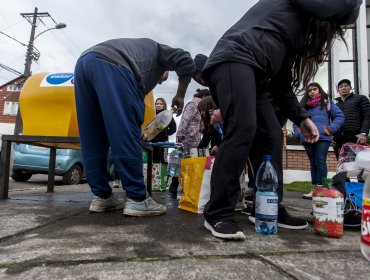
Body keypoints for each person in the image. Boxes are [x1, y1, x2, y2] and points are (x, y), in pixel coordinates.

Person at [198, 0, 362, 240]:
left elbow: (282, 85)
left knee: (273, 135)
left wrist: (302, 117)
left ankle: (267, 206)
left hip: (256, 73)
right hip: (233, 58)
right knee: (243, 128)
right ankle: (218, 212)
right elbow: (345, 9)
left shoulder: (293, 31)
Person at [74, 38, 195, 216]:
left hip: (83, 64)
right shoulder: (158, 52)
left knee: (92, 135)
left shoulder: (137, 53)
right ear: (166, 68)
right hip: (112, 65)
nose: (159, 82)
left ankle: (102, 197)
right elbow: (185, 59)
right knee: (126, 137)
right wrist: (180, 95)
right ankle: (137, 199)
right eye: (163, 78)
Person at [294, 83, 344, 199]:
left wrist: (331, 129)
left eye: (315, 89)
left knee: (320, 162)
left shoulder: (327, 103)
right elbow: (296, 120)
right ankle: (314, 189)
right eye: (309, 90)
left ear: (319, 90)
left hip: (322, 138)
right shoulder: (303, 106)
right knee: (313, 163)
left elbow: (340, 116)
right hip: (308, 138)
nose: (312, 92)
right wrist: (299, 133)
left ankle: (322, 190)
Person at [167, 88, 211, 197]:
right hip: (186, 138)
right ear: (204, 96)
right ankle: (174, 187)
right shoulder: (192, 104)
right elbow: (185, 119)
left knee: (190, 163)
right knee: (181, 162)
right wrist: (180, 134)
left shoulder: (202, 105)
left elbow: (200, 123)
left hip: (196, 138)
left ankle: (188, 188)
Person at [332, 79, 370, 159]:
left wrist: (363, 133)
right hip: (338, 139)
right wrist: (331, 136)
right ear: (338, 90)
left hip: (355, 137)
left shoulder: (360, 98)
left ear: (350, 88)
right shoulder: (335, 105)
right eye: (341, 86)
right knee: (341, 166)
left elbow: (367, 115)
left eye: (346, 86)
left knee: (356, 166)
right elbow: (332, 121)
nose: (343, 88)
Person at [151, 97, 177, 163]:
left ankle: (163, 173)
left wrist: (165, 133)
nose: (158, 105)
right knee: (154, 160)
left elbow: (173, 128)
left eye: (160, 104)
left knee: (163, 160)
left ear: (164, 105)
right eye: (157, 104)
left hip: (164, 142)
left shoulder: (168, 115)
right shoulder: (152, 115)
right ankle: (154, 173)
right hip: (152, 141)